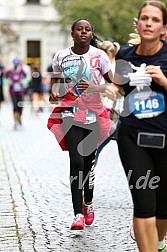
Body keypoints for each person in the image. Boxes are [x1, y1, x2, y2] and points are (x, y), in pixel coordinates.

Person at [47, 18, 121, 230]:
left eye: (87, 29)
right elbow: (56, 81)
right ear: (72, 33)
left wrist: (93, 87)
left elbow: (112, 85)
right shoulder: (61, 56)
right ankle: (77, 213)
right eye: (79, 29)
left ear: (91, 33)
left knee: (88, 165)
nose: (83, 32)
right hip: (70, 114)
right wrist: (54, 92)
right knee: (76, 162)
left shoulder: (100, 57)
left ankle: (88, 202)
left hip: (94, 115)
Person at [106, 1, 167, 251]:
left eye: (154, 19)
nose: (148, 23)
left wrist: (163, 80)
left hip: (165, 137)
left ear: (163, 27)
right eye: (144, 18)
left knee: (163, 205)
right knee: (143, 201)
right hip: (132, 137)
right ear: (138, 23)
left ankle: (159, 240)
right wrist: (114, 89)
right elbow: (119, 85)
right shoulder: (125, 55)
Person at [93, 40, 123, 167]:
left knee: (96, 146)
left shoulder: (114, 67)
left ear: (107, 53)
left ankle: (82, 175)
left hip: (115, 113)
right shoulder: (111, 67)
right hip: (112, 111)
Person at [6, 57, 26, 129]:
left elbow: (26, 78)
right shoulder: (9, 71)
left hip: (20, 91)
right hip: (12, 91)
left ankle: (19, 117)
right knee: (15, 106)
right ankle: (15, 122)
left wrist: (23, 81)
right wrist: (8, 82)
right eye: (15, 64)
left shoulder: (21, 71)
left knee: (20, 106)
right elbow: (4, 79)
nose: (16, 66)